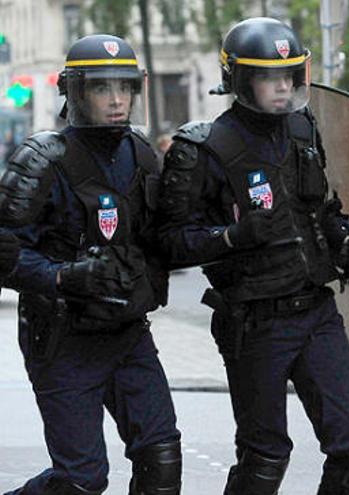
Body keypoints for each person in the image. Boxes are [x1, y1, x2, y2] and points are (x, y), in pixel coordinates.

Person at [158, 17, 349, 495]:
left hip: (318, 311)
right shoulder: (201, 148)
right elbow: (169, 242)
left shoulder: (303, 128)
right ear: (241, 80)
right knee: (265, 456)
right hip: (255, 321)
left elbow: (321, 209)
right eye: (270, 77)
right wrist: (231, 237)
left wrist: (347, 239)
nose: (283, 88)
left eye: (290, 76)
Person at [1, 34, 181, 495]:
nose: (117, 99)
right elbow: (4, 252)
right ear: (76, 93)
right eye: (102, 88)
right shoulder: (43, 159)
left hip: (126, 331)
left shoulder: (141, 153)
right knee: (81, 481)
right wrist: (62, 276)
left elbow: (162, 237)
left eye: (125, 87)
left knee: (161, 460)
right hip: (62, 337)